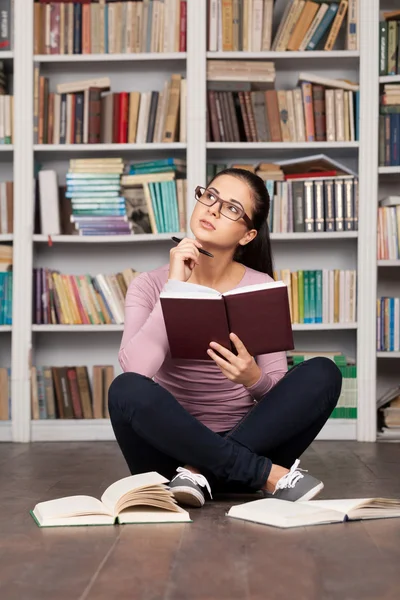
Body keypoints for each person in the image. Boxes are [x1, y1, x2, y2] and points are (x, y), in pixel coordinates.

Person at [108, 168, 342, 508]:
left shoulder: (260, 285)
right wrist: (175, 287)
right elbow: (137, 370)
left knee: (323, 372)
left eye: (232, 208)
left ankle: (200, 472)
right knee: (124, 388)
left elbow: (277, 387)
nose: (213, 209)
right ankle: (263, 475)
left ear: (247, 235)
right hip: (166, 450)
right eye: (211, 196)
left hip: (251, 439)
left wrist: (253, 380)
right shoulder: (148, 285)